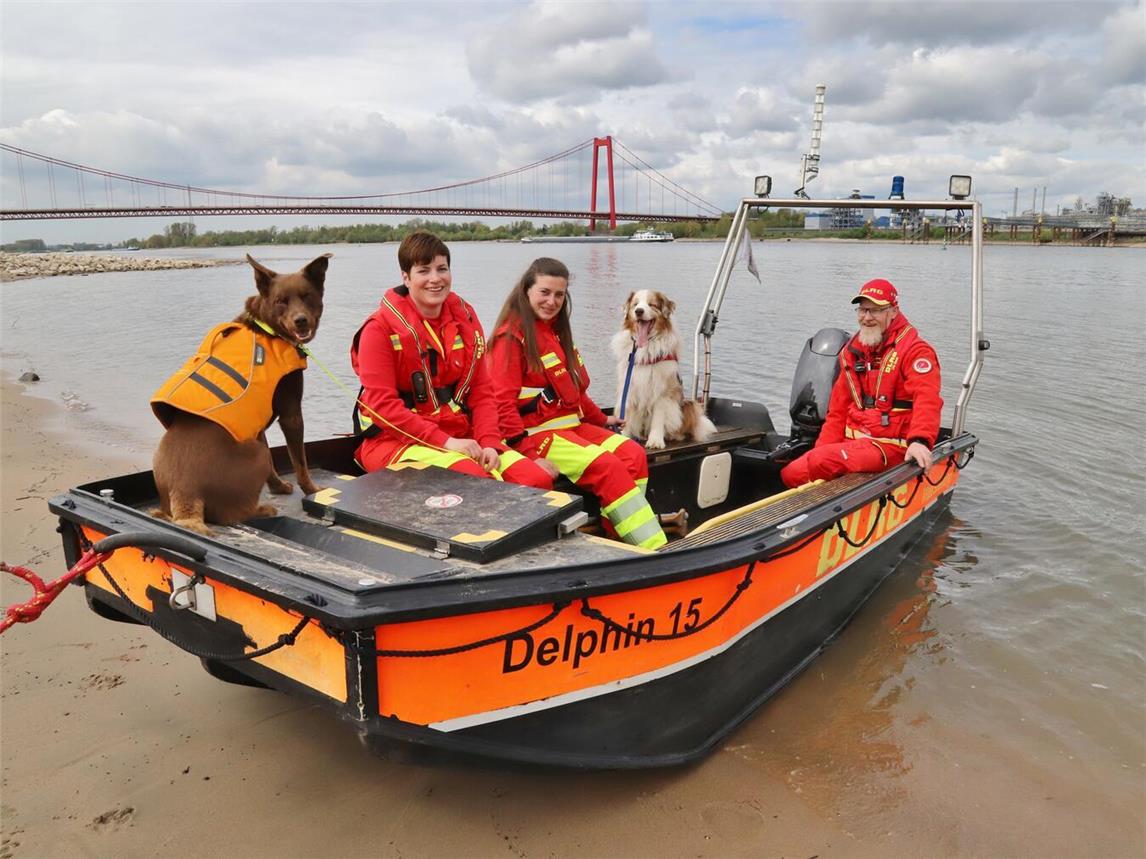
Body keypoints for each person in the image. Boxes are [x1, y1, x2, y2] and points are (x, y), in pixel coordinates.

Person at [349, 231, 553, 489]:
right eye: (424, 271)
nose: (435, 279)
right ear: (406, 278)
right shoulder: (378, 330)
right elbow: (383, 406)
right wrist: (446, 443)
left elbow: (481, 391)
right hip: (393, 441)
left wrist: (489, 441)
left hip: (456, 431)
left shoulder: (465, 318)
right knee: (473, 480)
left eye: (442, 269)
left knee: (537, 479)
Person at [488, 258, 667, 550]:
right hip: (536, 434)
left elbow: (572, 391)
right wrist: (529, 455)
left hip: (572, 425)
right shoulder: (511, 338)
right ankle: (655, 549)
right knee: (607, 466)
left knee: (633, 454)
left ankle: (618, 537)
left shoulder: (554, 332)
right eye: (544, 292)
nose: (552, 301)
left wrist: (600, 419)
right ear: (526, 291)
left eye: (559, 294)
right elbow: (501, 405)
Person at [780, 278, 942, 488]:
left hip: (890, 447)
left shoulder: (916, 351)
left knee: (822, 461)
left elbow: (927, 400)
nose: (866, 318)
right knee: (790, 473)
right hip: (855, 444)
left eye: (874, 310)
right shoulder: (852, 352)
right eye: (862, 310)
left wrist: (919, 442)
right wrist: (820, 450)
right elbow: (837, 411)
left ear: (893, 311)